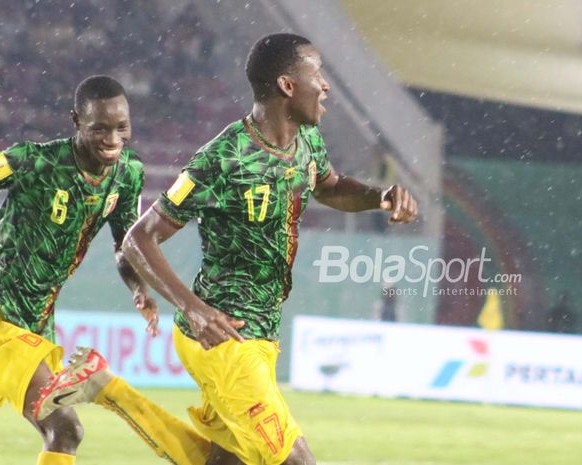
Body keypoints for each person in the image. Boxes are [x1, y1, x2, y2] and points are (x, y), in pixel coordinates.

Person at [35, 33, 418, 465]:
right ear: (288, 85)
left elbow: (329, 185)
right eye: (318, 74)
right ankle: (108, 389)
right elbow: (139, 238)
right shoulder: (222, 158)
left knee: (222, 463)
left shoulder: (306, 140)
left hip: (260, 336)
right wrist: (195, 309)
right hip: (225, 335)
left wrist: (379, 195)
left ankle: (107, 388)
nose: (326, 85)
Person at [0, 75, 158, 465]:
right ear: (76, 121)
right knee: (65, 427)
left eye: (122, 127)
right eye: (99, 128)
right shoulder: (38, 160)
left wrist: (138, 287)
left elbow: (126, 243)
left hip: (33, 325)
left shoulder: (129, 173)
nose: (112, 139)